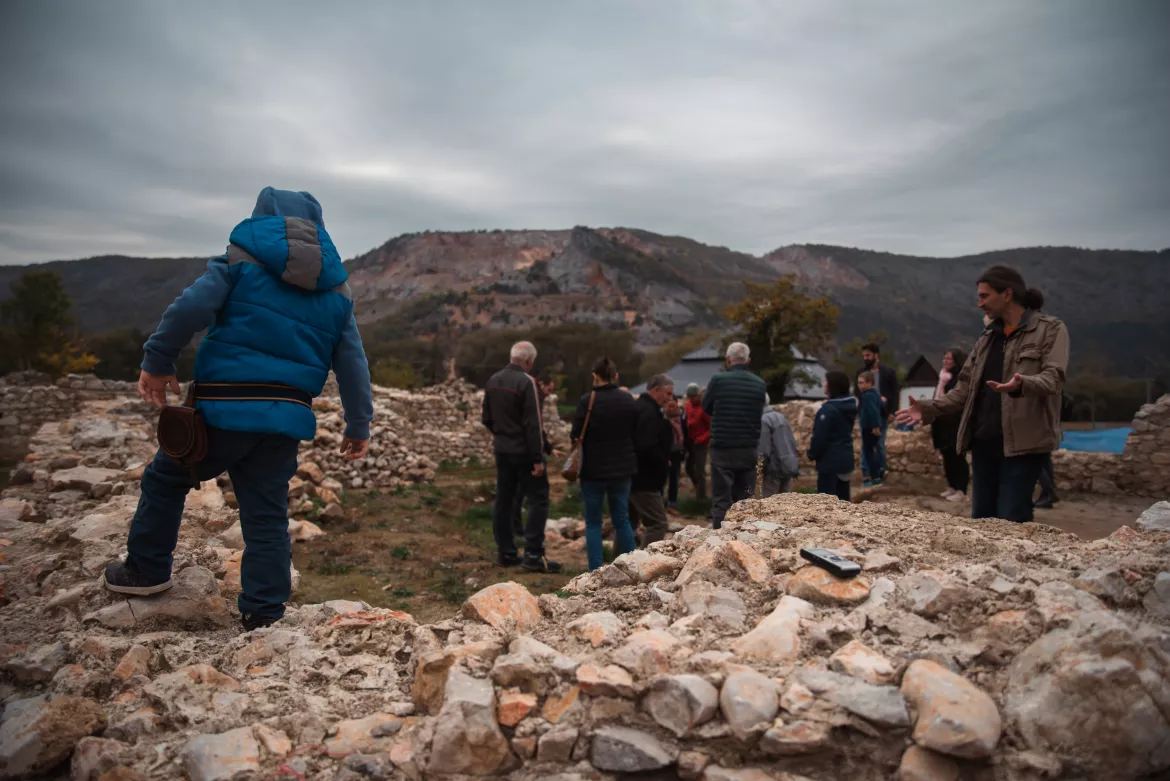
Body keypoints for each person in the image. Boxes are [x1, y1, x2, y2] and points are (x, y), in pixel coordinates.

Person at [103, 187, 374, 632]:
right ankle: (263, 612)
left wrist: (157, 361)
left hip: (221, 412)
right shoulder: (338, 290)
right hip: (285, 419)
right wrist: (359, 422)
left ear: (261, 218)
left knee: (166, 479)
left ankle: (146, 571)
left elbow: (189, 308)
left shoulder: (239, 260)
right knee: (267, 514)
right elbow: (353, 364)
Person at [896, 265, 1070, 523]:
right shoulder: (987, 339)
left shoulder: (1050, 330)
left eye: (985, 296)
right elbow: (963, 390)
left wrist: (1023, 384)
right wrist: (930, 407)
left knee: (1011, 520)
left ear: (1007, 294)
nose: (979, 304)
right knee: (982, 522)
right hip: (983, 445)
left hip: (1023, 446)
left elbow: (1055, 378)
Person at [482, 341, 560, 572]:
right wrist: (537, 458)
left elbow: (486, 417)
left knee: (504, 500)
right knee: (539, 499)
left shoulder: (493, 380)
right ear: (529, 361)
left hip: (502, 450)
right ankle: (534, 555)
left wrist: (502, 435)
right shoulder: (528, 383)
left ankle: (506, 552)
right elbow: (533, 423)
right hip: (524, 452)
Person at [570, 358, 638, 571]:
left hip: (593, 471)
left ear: (594, 376)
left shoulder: (586, 401)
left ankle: (596, 570)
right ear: (616, 376)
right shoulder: (628, 400)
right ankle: (632, 567)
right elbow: (636, 431)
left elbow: (575, 435)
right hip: (623, 469)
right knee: (622, 520)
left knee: (593, 523)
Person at [702, 342, 767, 528]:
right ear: (748, 360)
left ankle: (719, 542)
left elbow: (706, 407)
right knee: (745, 502)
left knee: (722, 500)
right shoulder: (760, 384)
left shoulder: (718, 380)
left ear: (728, 360)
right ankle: (743, 539)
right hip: (748, 448)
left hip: (722, 447)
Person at [629, 374, 675, 546]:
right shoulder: (649, 412)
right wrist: (663, 461)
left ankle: (619, 561)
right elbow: (646, 445)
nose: (670, 399)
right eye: (668, 394)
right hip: (645, 479)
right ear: (656, 390)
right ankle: (643, 564)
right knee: (658, 523)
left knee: (628, 523)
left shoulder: (638, 407)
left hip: (631, 475)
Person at [808, 371, 858, 501]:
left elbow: (820, 437)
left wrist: (812, 454)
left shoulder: (828, 411)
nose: (824, 384)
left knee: (828, 503)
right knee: (844, 500)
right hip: (845, 459)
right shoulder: (848, 407)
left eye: (826, 382)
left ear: (832, 386)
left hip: (830, 463)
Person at [855, 343, 900, 479]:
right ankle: (866, 472)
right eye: (864, 356)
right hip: (867, 413)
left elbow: (895, 392)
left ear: (876, 355)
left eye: (868, 355)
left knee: (880, 444)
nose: (866, 358)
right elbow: (857, 392)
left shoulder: (888, 372)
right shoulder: (861, 372)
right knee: (866, 444)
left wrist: (892, 411)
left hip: (883, 413)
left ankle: (880, 470)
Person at [931, 349, 969, 501]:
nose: (945, 361)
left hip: (955, 424)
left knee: (957, 457)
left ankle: (961, 490)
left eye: (949, 359)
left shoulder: (959, 380)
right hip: (941, 423)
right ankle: (952, 486)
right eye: (944, 358)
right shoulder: (942, 379)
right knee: (947, 456)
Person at [758, 396, 800, 496]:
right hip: (787, 465)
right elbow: (792, 442)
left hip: (774, 469)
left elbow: (764, 449)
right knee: (786, 504)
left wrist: (760, 468)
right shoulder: (780, 416)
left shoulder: (763, 420)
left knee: (770, 504)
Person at [857, 370, 885, 487]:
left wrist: (874, 426)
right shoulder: (876, 394)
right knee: (875, 451)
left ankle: (873, 478)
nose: (859, 385)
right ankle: (877, 475)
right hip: (875, 426)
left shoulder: (867, 396)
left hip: (869, 428)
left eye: (862, 383)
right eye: (859, 383)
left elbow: (873, 411)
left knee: (869, 453)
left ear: (869, 383)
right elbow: (882, 409)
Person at [684, 384, 710, 500]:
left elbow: (711, 428)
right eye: (689, 397)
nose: (691, 399)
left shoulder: (705, 408)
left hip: (701, 443)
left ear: (698, 396)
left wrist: (702, 438)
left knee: (700, 471)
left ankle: (701, 498)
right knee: (688, 467)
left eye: (693, 397)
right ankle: (697, 486)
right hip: (690, 441)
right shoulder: (688, 405)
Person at [665, 396, 688, 510]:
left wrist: (686, 450)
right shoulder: (663, 421)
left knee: (674, 478)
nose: (671, 409)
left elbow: (686, 434)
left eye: (673, 406)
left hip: (677, 452)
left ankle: (672, 502)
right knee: (663, 478)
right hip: (665, 452)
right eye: (669, 406)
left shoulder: (681, 420)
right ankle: (660, 502)